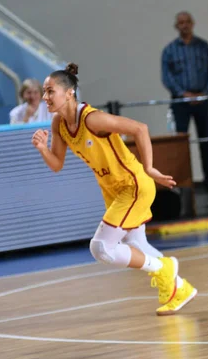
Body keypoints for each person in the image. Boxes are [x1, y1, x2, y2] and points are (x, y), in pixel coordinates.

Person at [32, 63, 197, 315]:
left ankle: (164, 269)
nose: (45, 97)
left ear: (69, 93)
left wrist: (150, 167)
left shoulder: (92, 118)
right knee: (136, 243)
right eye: (44, 91)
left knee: (101, 248)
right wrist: (44, 149)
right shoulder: (59, 124)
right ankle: (179, 288)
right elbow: (57, 164)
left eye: (49, 91)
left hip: (133, 186)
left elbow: (139, 128)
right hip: (112, 190)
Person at [161, 11, 208, 192]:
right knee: (180, 145)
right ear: (176, 26)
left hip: (204, 101)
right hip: (180, 103)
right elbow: (167, 77)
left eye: (187, 22)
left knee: (207, 142)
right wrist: (183, 94)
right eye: (181, 23)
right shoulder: (169, 50)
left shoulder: (204, 48)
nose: (184, 25)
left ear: (192, 24)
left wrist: (204, 93)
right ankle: (183, 187)